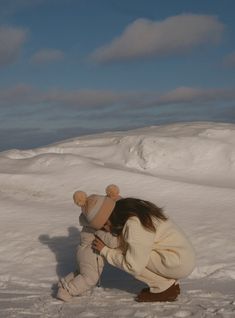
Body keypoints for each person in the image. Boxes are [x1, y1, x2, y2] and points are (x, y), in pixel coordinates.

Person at [92, 196, 196, 302]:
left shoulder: (134, 225)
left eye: (105, 225)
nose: (107, 229)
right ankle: (169, 285)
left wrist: (106, 251)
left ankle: (163, 288)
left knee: (129, 255)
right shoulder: (138, 212)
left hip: (177, 262)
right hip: (181, 257)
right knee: (133, 251)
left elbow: (133, 266)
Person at [57, 184, 121, 302]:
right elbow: (112, 243)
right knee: (90, 277)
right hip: (90, 252)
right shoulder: (99, 225)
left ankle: (65, 282)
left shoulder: (96, 217)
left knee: (83, 272)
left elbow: (114, 206)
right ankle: (67, 290)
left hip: (85, 251)